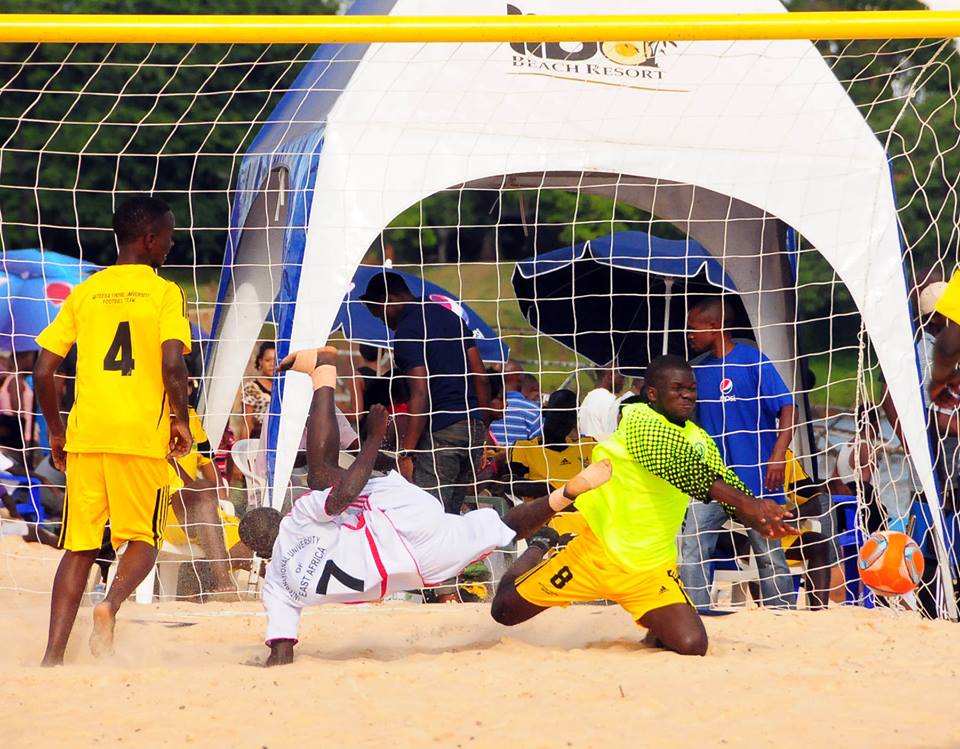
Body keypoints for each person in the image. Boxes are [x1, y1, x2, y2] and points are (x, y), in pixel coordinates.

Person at [238, 347, 611, 666]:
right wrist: (373, 438)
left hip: (425, 565)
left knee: (504, 529)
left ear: (261, 553)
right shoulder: (296, 520)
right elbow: (340, 495)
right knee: (323, 477)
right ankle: (324, 374)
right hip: (400, 518)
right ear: (279, 517)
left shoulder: (276, 587)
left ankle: (563, 496)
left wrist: (264, 667)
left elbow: (281, 654)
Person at [490, 355, 797, 655]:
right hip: (594, 555)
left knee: (693, 645)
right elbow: (674, 464)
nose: (688, 395)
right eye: (678, 389)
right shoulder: (638, 420)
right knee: (503, 612)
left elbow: (720, 477)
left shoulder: (699, 437)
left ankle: (654, 624)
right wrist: (746, 504)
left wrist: (759, 513)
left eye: (691, 388)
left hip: (650, 570)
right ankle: (538, 547)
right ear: (652, 393)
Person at [32, 195, 192, 665]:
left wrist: (57, 432)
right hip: (140, 434)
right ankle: (111, 603)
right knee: (145, 537)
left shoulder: (85, 290)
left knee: (79, 548)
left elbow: (43, 373)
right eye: (167, 234)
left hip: (87, 434)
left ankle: (52, 658)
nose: (171, 242)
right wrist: (180, 419)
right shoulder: (164, 291)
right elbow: (171, 362)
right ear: (149, 240)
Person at [679, 297, 797, 609]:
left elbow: (788, 406)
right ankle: (697, 612)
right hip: (715, 482)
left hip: (757, 477)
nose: (688, 335)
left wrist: (778, 454)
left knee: (769, 552)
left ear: (714, 327)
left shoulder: (752, 360)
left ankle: (782, 614)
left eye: (693, 328)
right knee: (692, 545)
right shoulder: (696, 373)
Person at [360, 272, 491, 514]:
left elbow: (420, 392)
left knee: (428, 514)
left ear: (390, 298)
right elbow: (481, 377)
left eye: (379, 313)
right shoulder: (452, 318)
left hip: (442, 431)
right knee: (451, 515)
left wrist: (407, 452)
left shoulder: (407, 331)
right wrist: (481, 429)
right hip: (472, 429)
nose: (383, 322)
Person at [501, 389, 594, 501]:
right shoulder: (524, 448)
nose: (563, 421)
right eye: (558, 414)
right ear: (545, 412)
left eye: (569, 415)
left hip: (587, 513)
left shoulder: (588, 445)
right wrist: (552, 491)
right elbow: (508, 482)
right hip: (547, 514)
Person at [489, 361, 543, 446]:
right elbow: (538, 443)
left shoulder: (483, 406)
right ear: (519, 378)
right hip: (519, 458)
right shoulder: (533, 409)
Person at [578, 364, 624, 442]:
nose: (623, 382)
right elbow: (614, 437)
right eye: (622, 377)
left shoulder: (588, 398)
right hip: (602, 451)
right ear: (611, 375)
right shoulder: (610, 401)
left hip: (586, 451)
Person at [241, 341, 276, 440]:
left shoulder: (286, 388)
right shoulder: (252, 388)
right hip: (258, 441)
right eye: (268, 360)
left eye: (276, 360)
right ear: (260, 362)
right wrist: (244, 449)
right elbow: (247, 422)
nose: (272, 364)